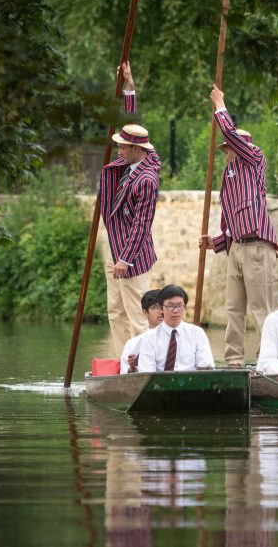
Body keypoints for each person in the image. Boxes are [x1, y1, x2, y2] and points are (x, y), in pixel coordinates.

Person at [200, 84, 278, 367]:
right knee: (234, 308)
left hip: (257, 246)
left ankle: (267, 360)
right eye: (226, 149)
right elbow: (231, 222)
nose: (228, 152)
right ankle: (234, 361)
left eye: (231, 147)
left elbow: (232, 136)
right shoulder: (229, 175)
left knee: (261, 308)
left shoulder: (254, 159)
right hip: (236, 247)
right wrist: (217, 242)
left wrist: (220, 103)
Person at [99, 62, 162, 357]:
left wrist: (125, 258)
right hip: (115, 248)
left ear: (138, 150)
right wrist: (129, 87)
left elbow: (142, 224)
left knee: (138, 315)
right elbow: (133, 121)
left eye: (123, 147)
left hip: (131, 256)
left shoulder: (147, 179)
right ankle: (125, 362)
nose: (119, 150)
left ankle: (145, 364)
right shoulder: (132, 159)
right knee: (116, 311)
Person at [136, 285, 214, 372]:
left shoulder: (197, 333)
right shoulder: (150, 337)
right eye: (170, 306)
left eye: (179, 306)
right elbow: (146, 373)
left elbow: (206, 368)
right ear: (161, 308)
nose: (175, 311)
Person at [120, 288, 162, 374]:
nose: (160, 311)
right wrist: (132, 368)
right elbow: (124, 376)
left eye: (162, 307)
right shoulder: (132, 344)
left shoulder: (177, 338)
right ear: (145, 312)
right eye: (154, 307)